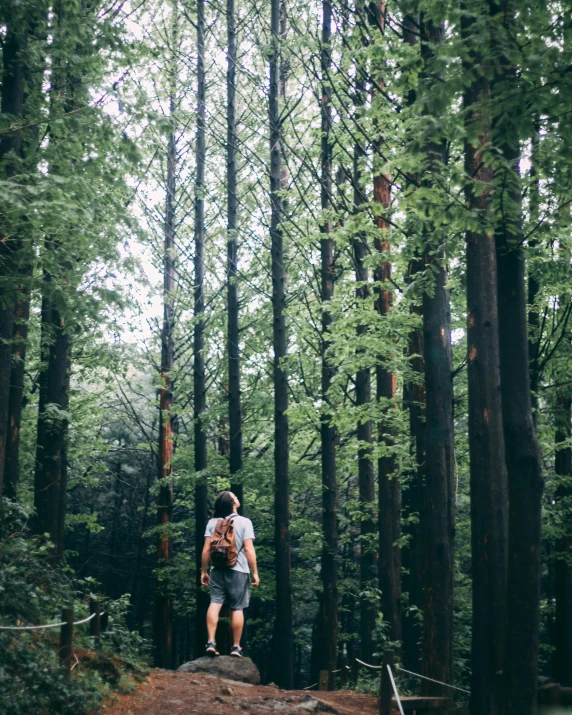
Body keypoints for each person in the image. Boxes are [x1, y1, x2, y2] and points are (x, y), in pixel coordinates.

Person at [201, 490, 260, 657]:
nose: (237, 498)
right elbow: (248, 549)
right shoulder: (244, 522)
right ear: (233, 504)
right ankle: (235, 647)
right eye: (235, 497)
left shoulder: (212, 523)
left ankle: (211, 641)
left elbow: (206, 549)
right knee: (237, 607)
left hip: (217, 569)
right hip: (239, 570)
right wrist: (254, 571)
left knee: (215, 602)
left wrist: (204, 571)